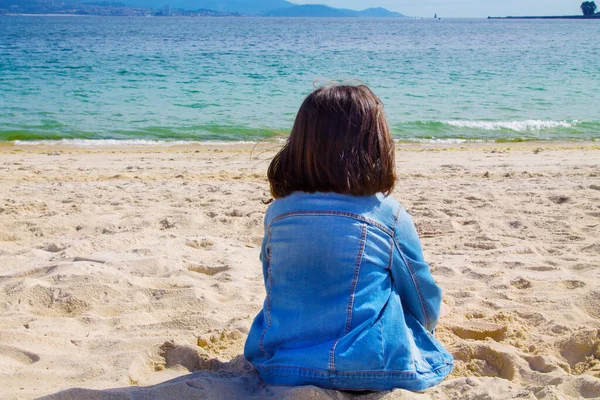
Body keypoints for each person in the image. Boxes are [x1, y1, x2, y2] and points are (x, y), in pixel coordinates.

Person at [244, 83, 453, 391]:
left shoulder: (279, 213)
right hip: (368, 364)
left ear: (301, 145)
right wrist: (424, 329)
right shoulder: (388, 214)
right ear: (375, 144)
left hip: (285, 365)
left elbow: (275, 287)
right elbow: (422, 300)